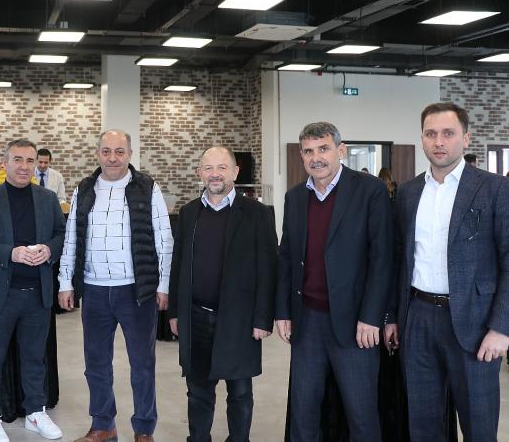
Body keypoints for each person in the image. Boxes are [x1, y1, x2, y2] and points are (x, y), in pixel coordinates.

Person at [385, 102, 509, 442]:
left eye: (448, 133)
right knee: (424, 424)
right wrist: (392, 316)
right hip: (418, 318)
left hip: (475, 323)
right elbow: (399, 260)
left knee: (478, 425)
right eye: (431, 134)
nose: (439, 142)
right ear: (422, 139)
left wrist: (501, 327)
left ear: (465, 138)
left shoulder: (495, 188)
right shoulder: (408, 192)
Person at [275, 121, 393, 442]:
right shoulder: (295, 197)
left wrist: (372, 317)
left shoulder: (369, 191)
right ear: (301, 156)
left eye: (323, 149)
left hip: (355, 324)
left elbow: (383, 259)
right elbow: (286, 257)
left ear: (341, 150)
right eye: (308, 151)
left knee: (361, 414)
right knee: (303, 412)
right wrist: (283, 311)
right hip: (307, 322)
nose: (316, 158)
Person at [58, 130, 173, 442]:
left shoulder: (147, 187)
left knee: (142, 365)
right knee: (96, 364)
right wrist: (65, 281)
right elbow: (71, 237)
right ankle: (103, 425)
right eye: (106, 151)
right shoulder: (84, 189)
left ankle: (144, 429)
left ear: (130, 154)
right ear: (97, 153)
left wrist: (163, 285)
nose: (112, 158)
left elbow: (164, 238)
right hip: (94, 290)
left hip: (136, 291)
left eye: (119, 152)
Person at [167, 147, 277, 442]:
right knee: (198, 391)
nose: (215, 174)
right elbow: (178, 265)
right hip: (196, 318)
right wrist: (175, 312)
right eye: (208, 168)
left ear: (235, 172)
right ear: (200, 173)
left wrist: (263, 318)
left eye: (222, 167)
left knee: (240, 392)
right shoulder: (189, 213)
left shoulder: (257, 213)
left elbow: (269, 268)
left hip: (240, 320)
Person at [0, 139, 66, 442]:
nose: (24, 166)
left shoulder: (47, 198)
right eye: (18, 159)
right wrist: (9, 253)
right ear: (5, 163)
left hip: (37, 294)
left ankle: (35, 413)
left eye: (30, 160)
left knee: (35, 358)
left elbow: (61, 234)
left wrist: (49, 250)